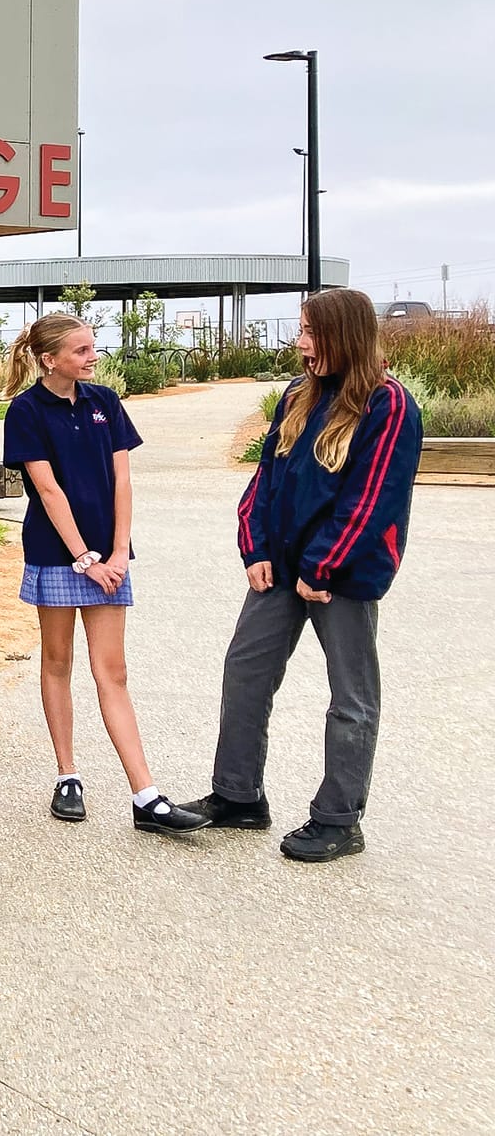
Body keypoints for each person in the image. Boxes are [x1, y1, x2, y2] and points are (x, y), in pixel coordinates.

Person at [190, 289, 422, 862]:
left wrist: (323, 565)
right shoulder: (298, 393)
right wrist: (255, 548)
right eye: (302, 331)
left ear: (344, 335)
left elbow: (372, 501)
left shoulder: (388, 404)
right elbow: (265, 479)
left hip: (342, 575)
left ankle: (339, 820)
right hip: (283, 566)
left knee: (351, 698)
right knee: (245, 671)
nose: (301, 344)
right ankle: (238, 796)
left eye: (311, 333)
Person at [1, 315, 206, 835]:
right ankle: (67, 776)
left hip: (109, 562)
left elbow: (123, 481)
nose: (93, 357)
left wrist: (116, 553)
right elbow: (48, 491)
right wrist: (84, 559)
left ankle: (146, 795)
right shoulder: (25, 411)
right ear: (49, 360)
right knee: (57, 662)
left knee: (112, 672)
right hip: (57, 555)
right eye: (82, 350)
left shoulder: (106, 403)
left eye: (93, 347)